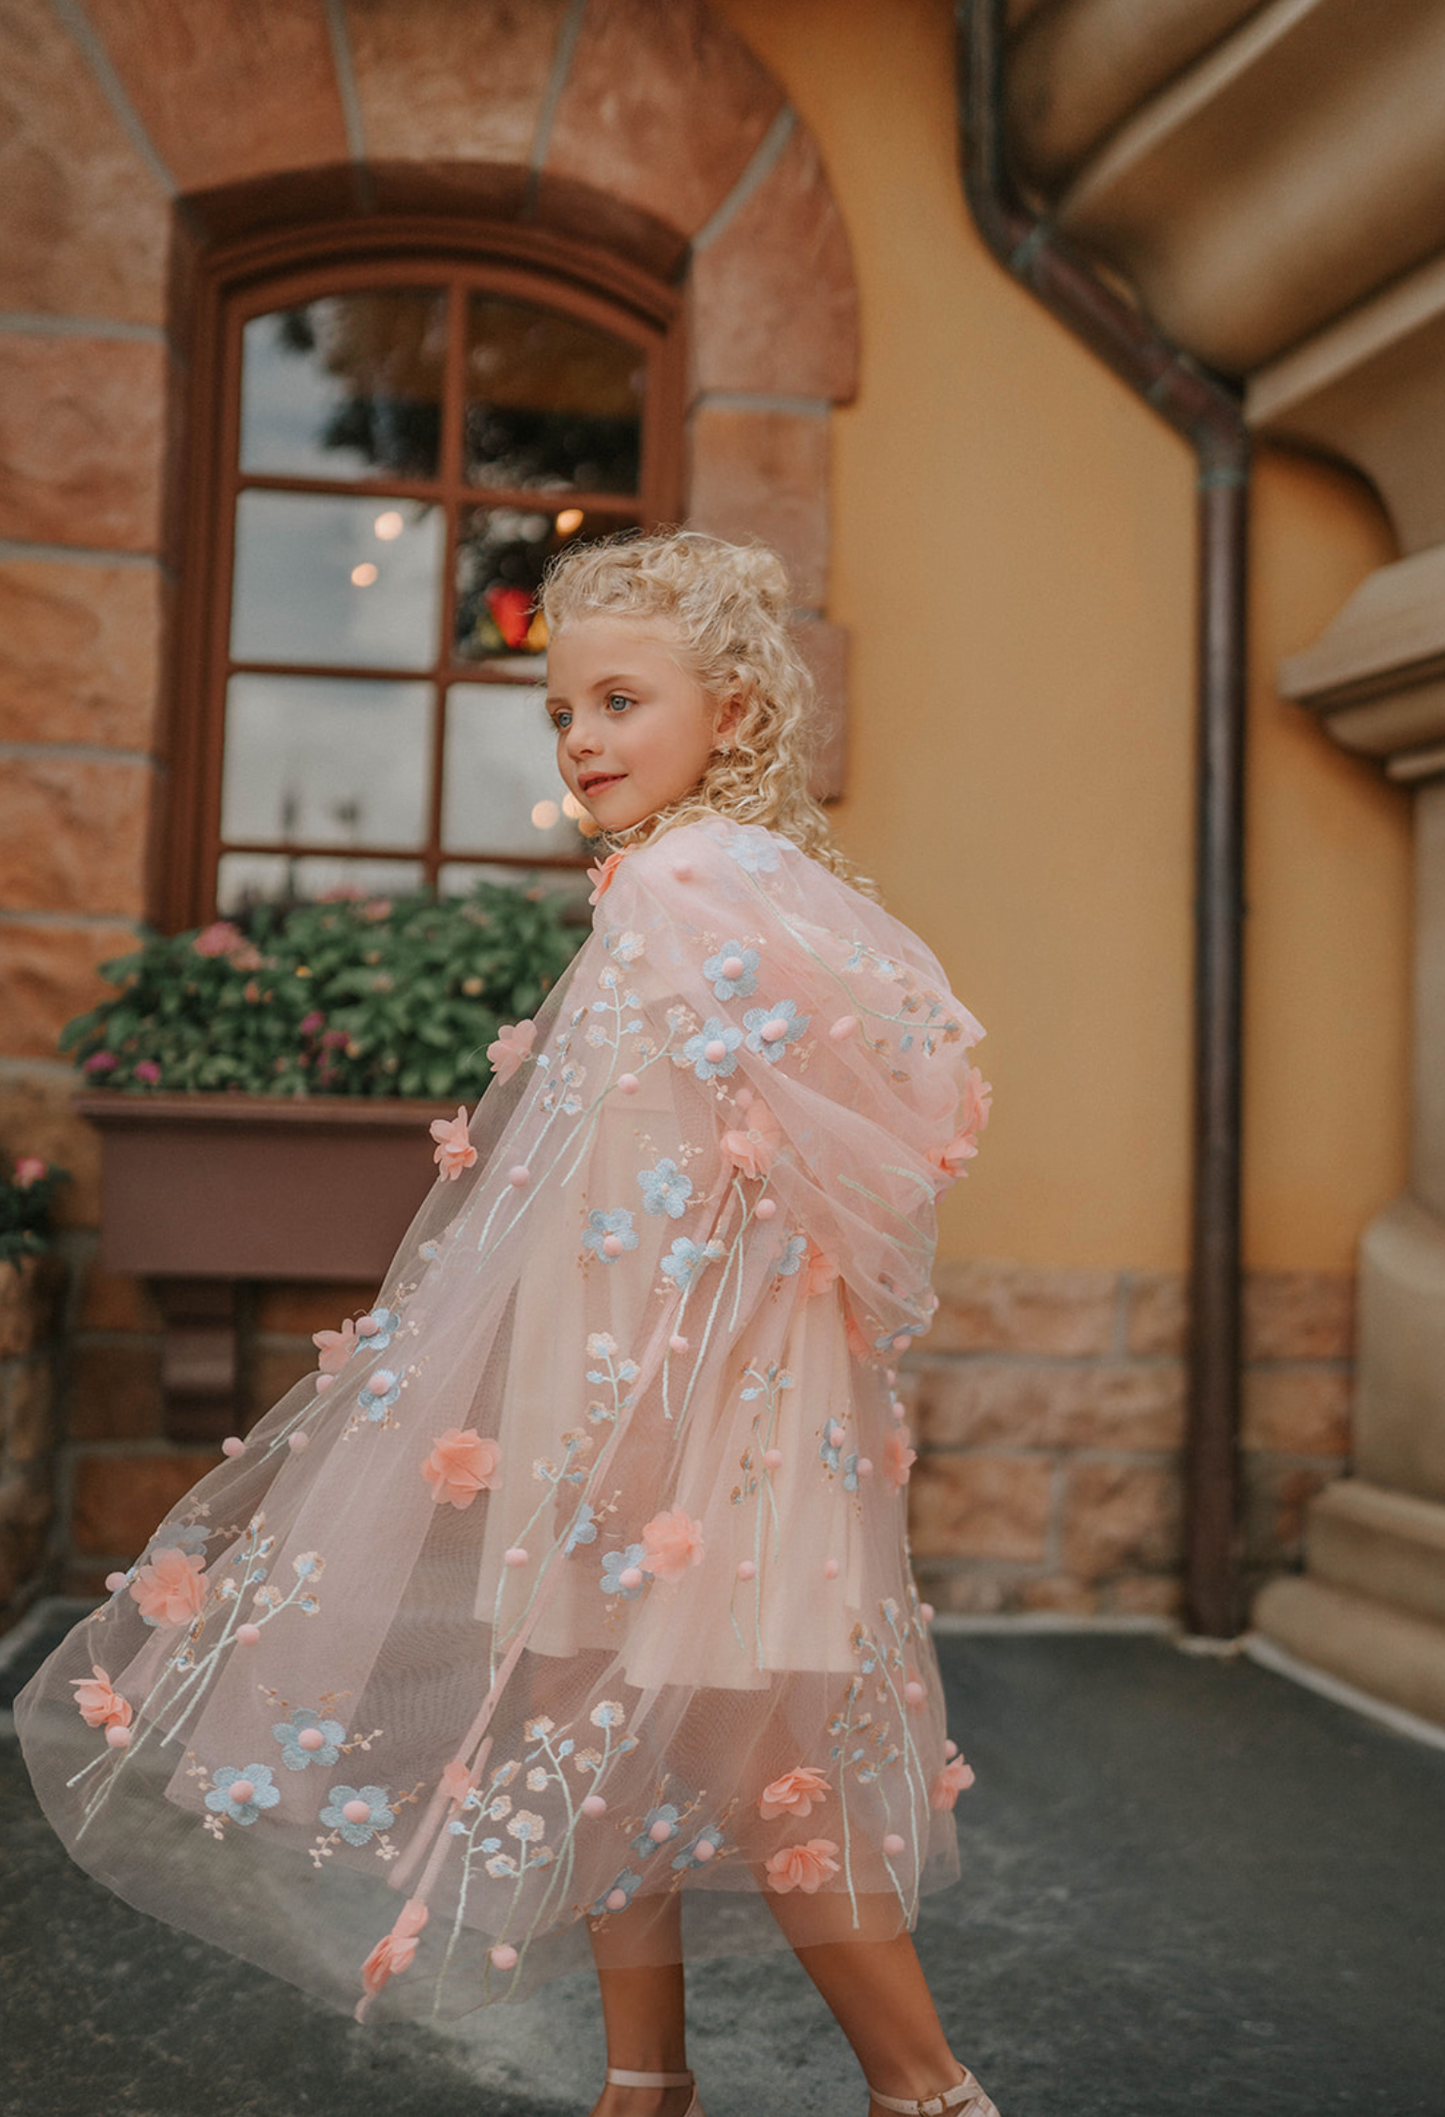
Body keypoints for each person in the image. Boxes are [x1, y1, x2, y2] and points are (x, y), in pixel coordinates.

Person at [16, 529, 997, 2117]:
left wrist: (681, 1384)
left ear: (732, 715)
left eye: (621, 701)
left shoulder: (686, 884)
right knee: (593, 1723)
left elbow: (863, 1101)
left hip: (667, 1399)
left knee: (743, 1748)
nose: (584, 741)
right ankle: (645, 2085)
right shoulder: (701, 884)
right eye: (562, 714)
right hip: (635, 1372)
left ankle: (924, 2088)